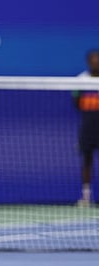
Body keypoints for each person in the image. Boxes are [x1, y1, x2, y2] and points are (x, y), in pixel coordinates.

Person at [74, 49, 99, 207]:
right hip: (88, 128)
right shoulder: (81, 80)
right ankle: (86, 196)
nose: (96, 62)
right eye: (93, 59)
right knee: (87, 161)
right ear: (88, 61)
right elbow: (76, 101)